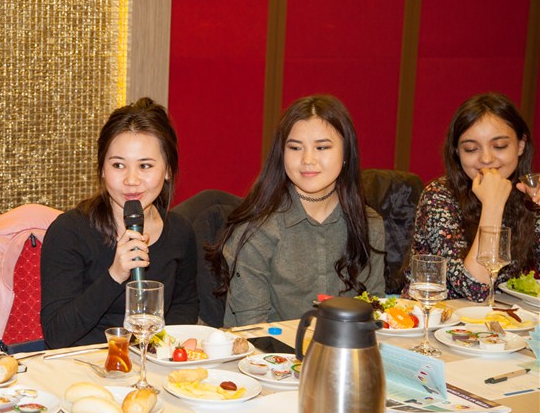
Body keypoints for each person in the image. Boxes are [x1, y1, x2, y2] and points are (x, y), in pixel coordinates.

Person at [208, 95, 386, 325]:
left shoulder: (368, 223)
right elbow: (253, 329)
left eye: (322, 147)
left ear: (346, 153)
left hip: (348, 346)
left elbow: (374, 311)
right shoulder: (257, 229)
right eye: (295, 148)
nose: (308, 159)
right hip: (270, 346)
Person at [40, 97, 198, 348]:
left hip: (152, 359)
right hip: (84, 362)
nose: (131, 180)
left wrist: (158, 350)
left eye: (145, 166)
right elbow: (56, 334)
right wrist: (114, 275)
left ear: (168, 170)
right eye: (118, 165)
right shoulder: (69, 231)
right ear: (102, 168)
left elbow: (184, 307)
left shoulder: (180, 231)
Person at [407, 93, 539, 301]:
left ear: (521, 145)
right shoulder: (439, 196)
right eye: (471, 149)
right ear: (457, 152)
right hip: (438, 316)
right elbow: (476, 289)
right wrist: (492, 204)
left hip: (506, 317)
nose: (486, 158)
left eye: (499, 146)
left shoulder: (528, 195)